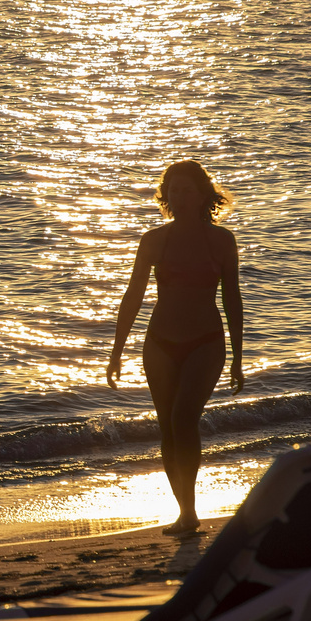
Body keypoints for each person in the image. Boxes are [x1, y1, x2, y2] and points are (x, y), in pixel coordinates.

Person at [106, 160, 244, 536]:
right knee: (167, 427)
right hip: (159, 344)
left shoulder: (222, 240)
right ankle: (184, 510)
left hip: (206, 343)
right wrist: (116, 352)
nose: (179, 197)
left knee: (184, 419)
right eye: (173, 190)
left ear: (202, 195)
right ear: (165, 196)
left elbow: (232, 298)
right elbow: (133, 296)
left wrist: (238, 356)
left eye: (187, 190)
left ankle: (191, 510)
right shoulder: (153, 240)